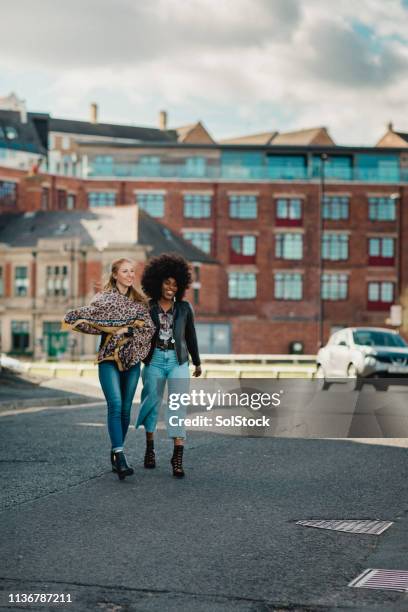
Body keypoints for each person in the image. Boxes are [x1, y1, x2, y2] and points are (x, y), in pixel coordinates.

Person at [63, 258, 155, 480]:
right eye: (125, 271)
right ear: (115, 275)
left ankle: (116, 451)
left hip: (131, 360)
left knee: (125, 409)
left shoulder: (140, 302)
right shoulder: (103, 299)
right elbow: (85, 319)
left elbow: (148, 329)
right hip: (108, 358)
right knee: (114, 404)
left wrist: (127, 331)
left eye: (133, 271)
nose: (130, 275)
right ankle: (120, 455)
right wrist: (109, 329)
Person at [136, 253, 202, 478]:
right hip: (154, 360)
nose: (171, 288)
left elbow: (191, 336)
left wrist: (197, 362)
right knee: (152, 404)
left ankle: (177, 457)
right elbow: (139, 335)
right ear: (158, 283)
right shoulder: (148, 307)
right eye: (167, 283)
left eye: (175, 284)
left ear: (180, 286)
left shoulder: (184, 308)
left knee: (178, 406)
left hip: (178, 361)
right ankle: (150, 449)